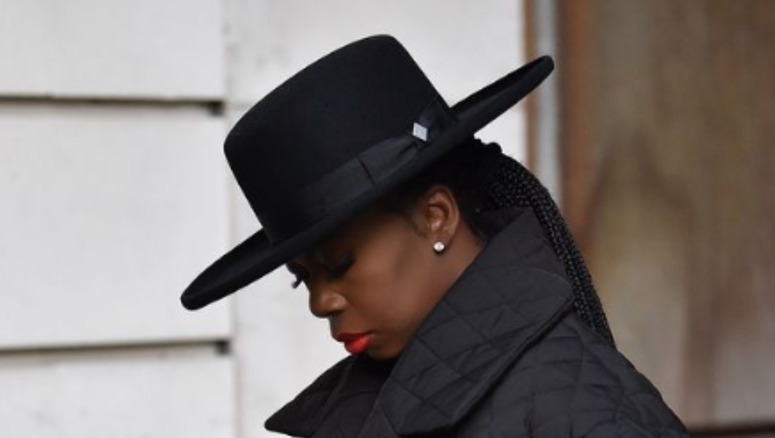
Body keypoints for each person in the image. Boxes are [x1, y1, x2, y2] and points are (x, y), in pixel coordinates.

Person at [181, 35, 689, 437]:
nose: (320, 303)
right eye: (302, 278)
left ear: (436, 216)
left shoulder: (582, 407)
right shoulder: (375, 400)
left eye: (340, 264)